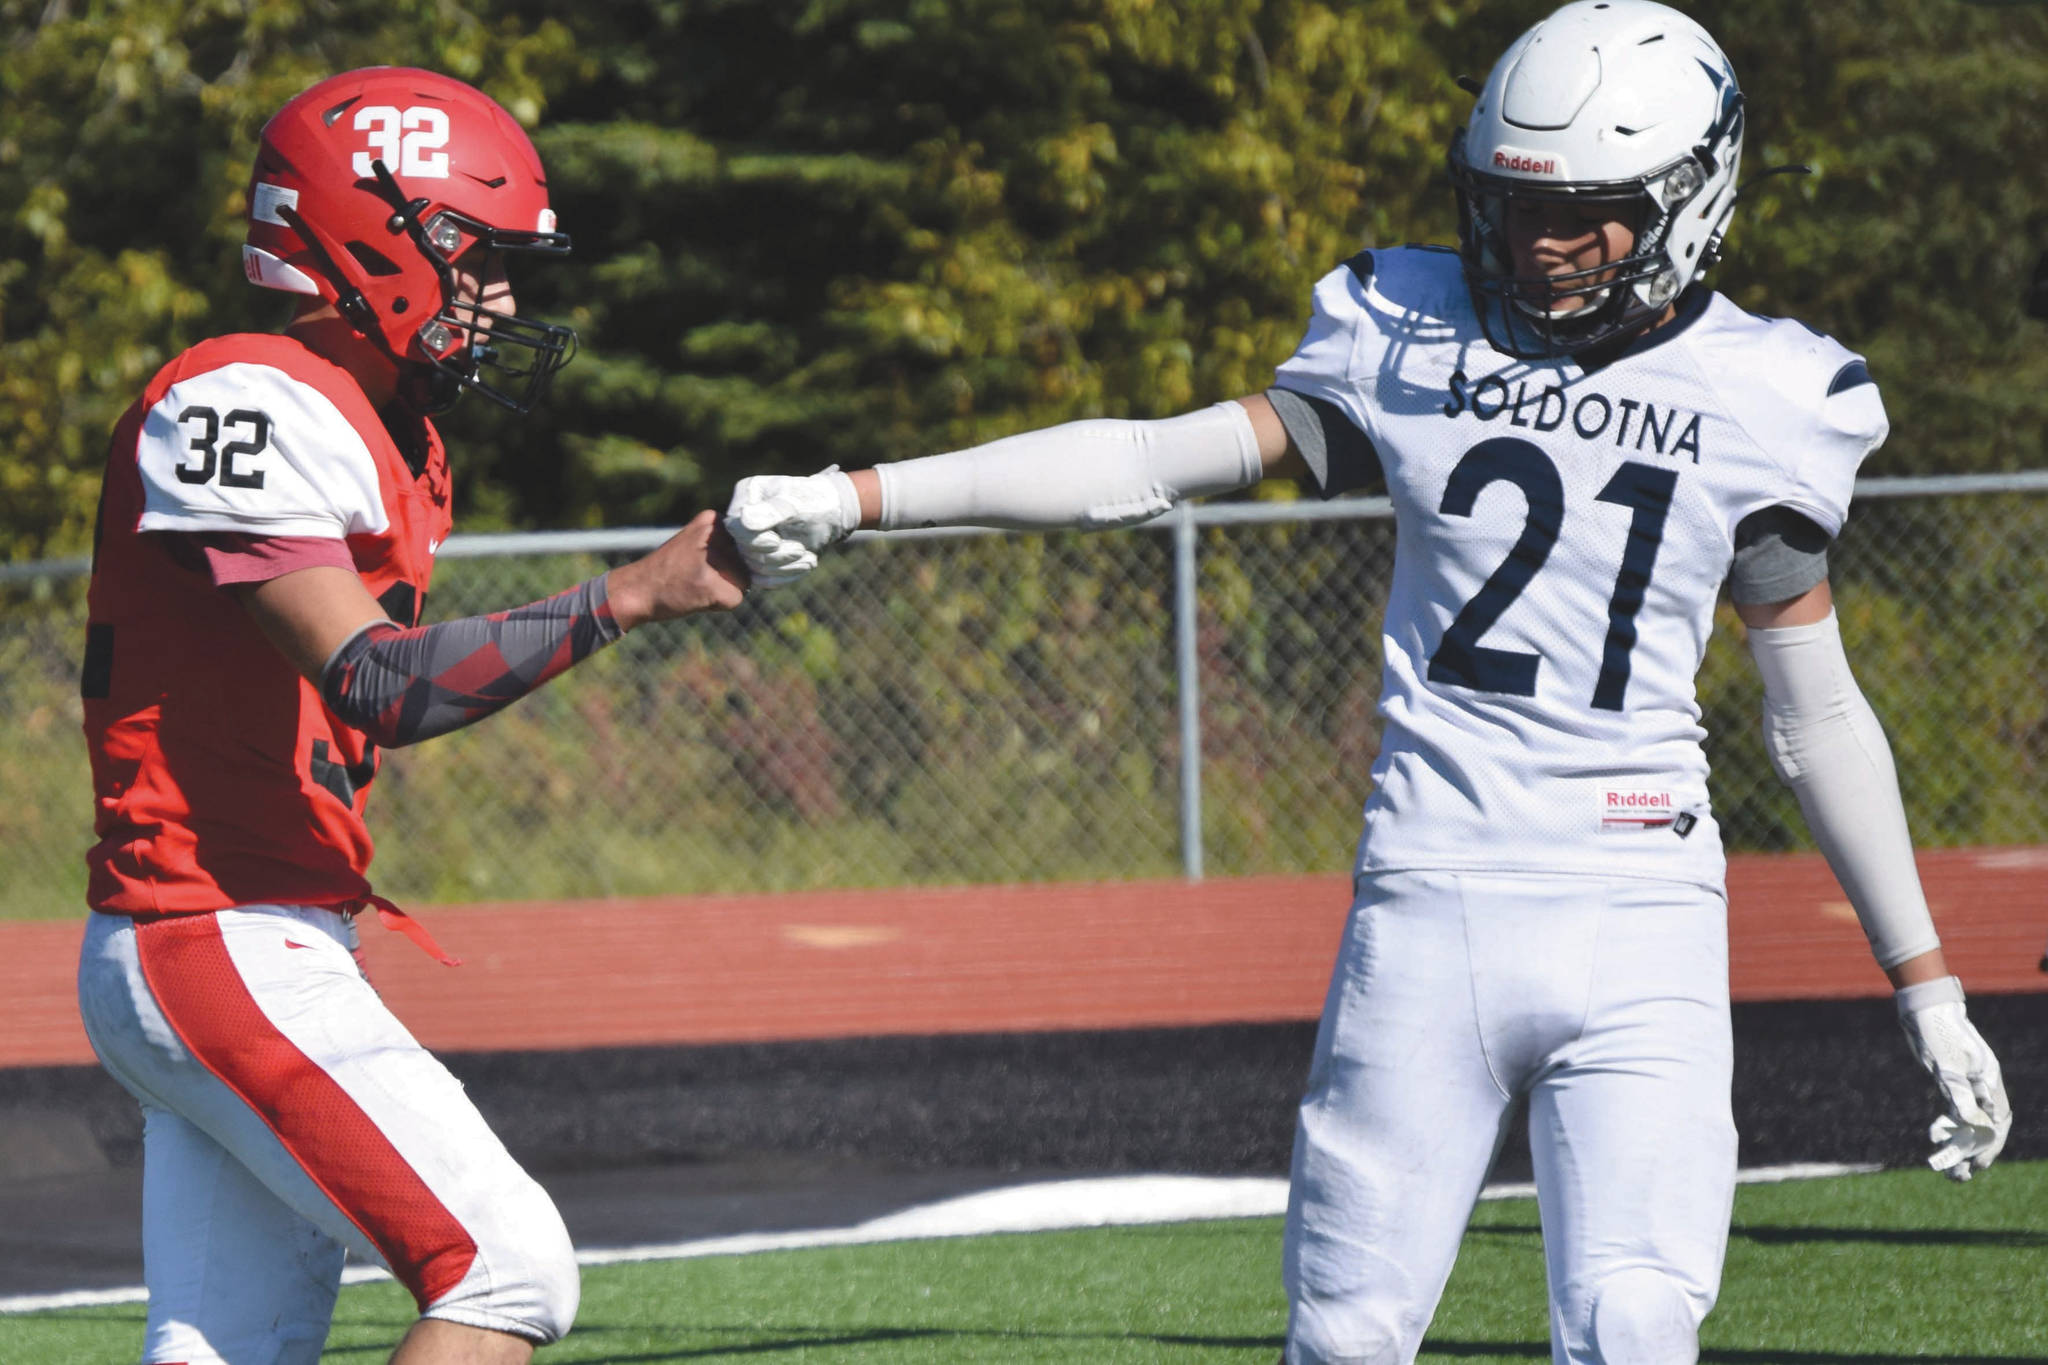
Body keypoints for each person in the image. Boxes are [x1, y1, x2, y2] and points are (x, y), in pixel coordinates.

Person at [723, 4, 2011, 1361]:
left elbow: (1812, 708)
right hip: (1432, 889)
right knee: (1345, 1334)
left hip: (1644, 910)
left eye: (1588, 211)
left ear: (1695, 198)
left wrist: (1924, 981)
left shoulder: (1771, 391)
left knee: (1635, 1319)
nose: (1540, 243)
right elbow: (1153, 461)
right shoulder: (1408, 325)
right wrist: (860, 493)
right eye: (1517, 207)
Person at [74, 67, 746, 1365]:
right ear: (383, 241)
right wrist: (630, 595)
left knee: (224, 1350)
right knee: (505, 1268)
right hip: (208, 927)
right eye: (481, 262)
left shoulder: (396, 433)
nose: (502, 300)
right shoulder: (242, 394)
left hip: (249, 926)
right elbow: (379, 679)